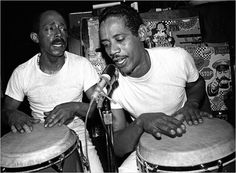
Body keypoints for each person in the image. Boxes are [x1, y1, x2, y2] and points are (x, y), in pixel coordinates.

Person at [98, 4, 212, 172]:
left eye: (120, 39)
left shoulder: (177, 58)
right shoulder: (113, 86)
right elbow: (118, 147)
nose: (113, 50)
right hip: (149, 142)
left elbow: (197, 84)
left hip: (187, 132)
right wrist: (141, 122)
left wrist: (192, 104)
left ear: (142, 33)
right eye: (106, 44)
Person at [2, 10, 104, 172]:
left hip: (76, 134)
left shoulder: (81, 65)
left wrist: (74, 107)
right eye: (50, 29)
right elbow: (6, 110)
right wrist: (12, 114)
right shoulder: (22, 73)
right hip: (38, 138)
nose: (59, 34)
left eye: (63, 28)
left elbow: (98, 107)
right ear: (35, 37)